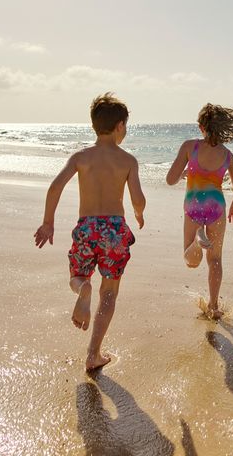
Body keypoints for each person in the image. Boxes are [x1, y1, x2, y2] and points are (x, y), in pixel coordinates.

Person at [34, 93, 146, 371]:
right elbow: (138, 199)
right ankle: (93, 353)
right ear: (120, 126)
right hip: (115, 231)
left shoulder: (81, 157)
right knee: (109, 293)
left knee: (77, 276)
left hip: (87, 227)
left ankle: (83, 289)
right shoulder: (128, 161)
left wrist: (48, 222)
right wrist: (139, 213)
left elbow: (55, 187)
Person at [166, 101, 233, 319]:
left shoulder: (190, 147)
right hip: (217, 207)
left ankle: (197, 242)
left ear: (201, 127)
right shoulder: (227, 155)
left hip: (194, 205)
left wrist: (186, 172)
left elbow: (170, 180)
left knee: (192, 261)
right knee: (215, 259)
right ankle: (214, 306)